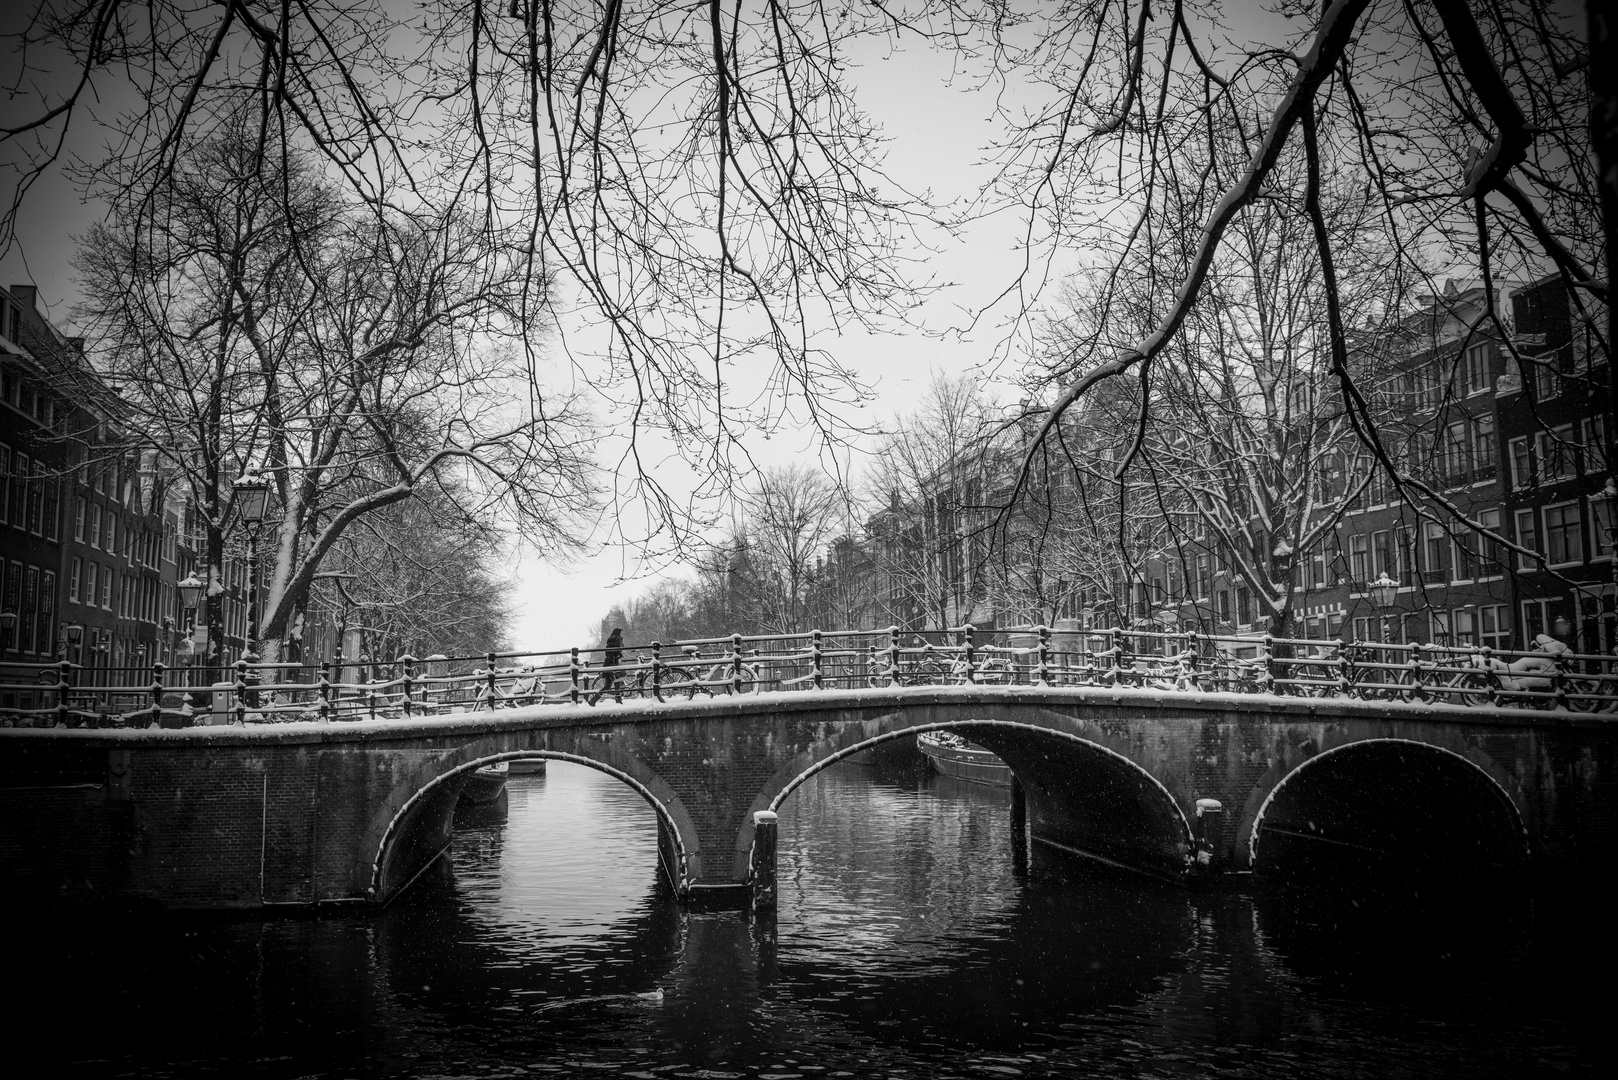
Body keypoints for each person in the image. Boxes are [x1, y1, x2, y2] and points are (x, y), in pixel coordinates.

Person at [590, 627, 625, 705]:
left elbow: (610, 652)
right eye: (620, 633)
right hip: (611, 663)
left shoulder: (613, 639)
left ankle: (618, 701)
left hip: (611, 663)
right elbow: (610, 652)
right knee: (611, 684)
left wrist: (616, 655)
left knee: (614, 683)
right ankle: (593, 700)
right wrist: (617, 655)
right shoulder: (614, 640)